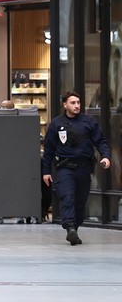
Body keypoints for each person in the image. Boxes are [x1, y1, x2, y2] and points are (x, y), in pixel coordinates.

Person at [42, 91, 111, 245]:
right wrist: (46, 171)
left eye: (78, 103)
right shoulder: (56, 124)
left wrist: (105, 156)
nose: (76, 106)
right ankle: (70, 228)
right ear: (65, 105)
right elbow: (48, 150)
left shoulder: (89, 122)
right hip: (64, 168)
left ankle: (75, 227)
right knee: (67, 197)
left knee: (80, 201)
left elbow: (101, 141)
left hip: (84, 168)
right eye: (72, 103)